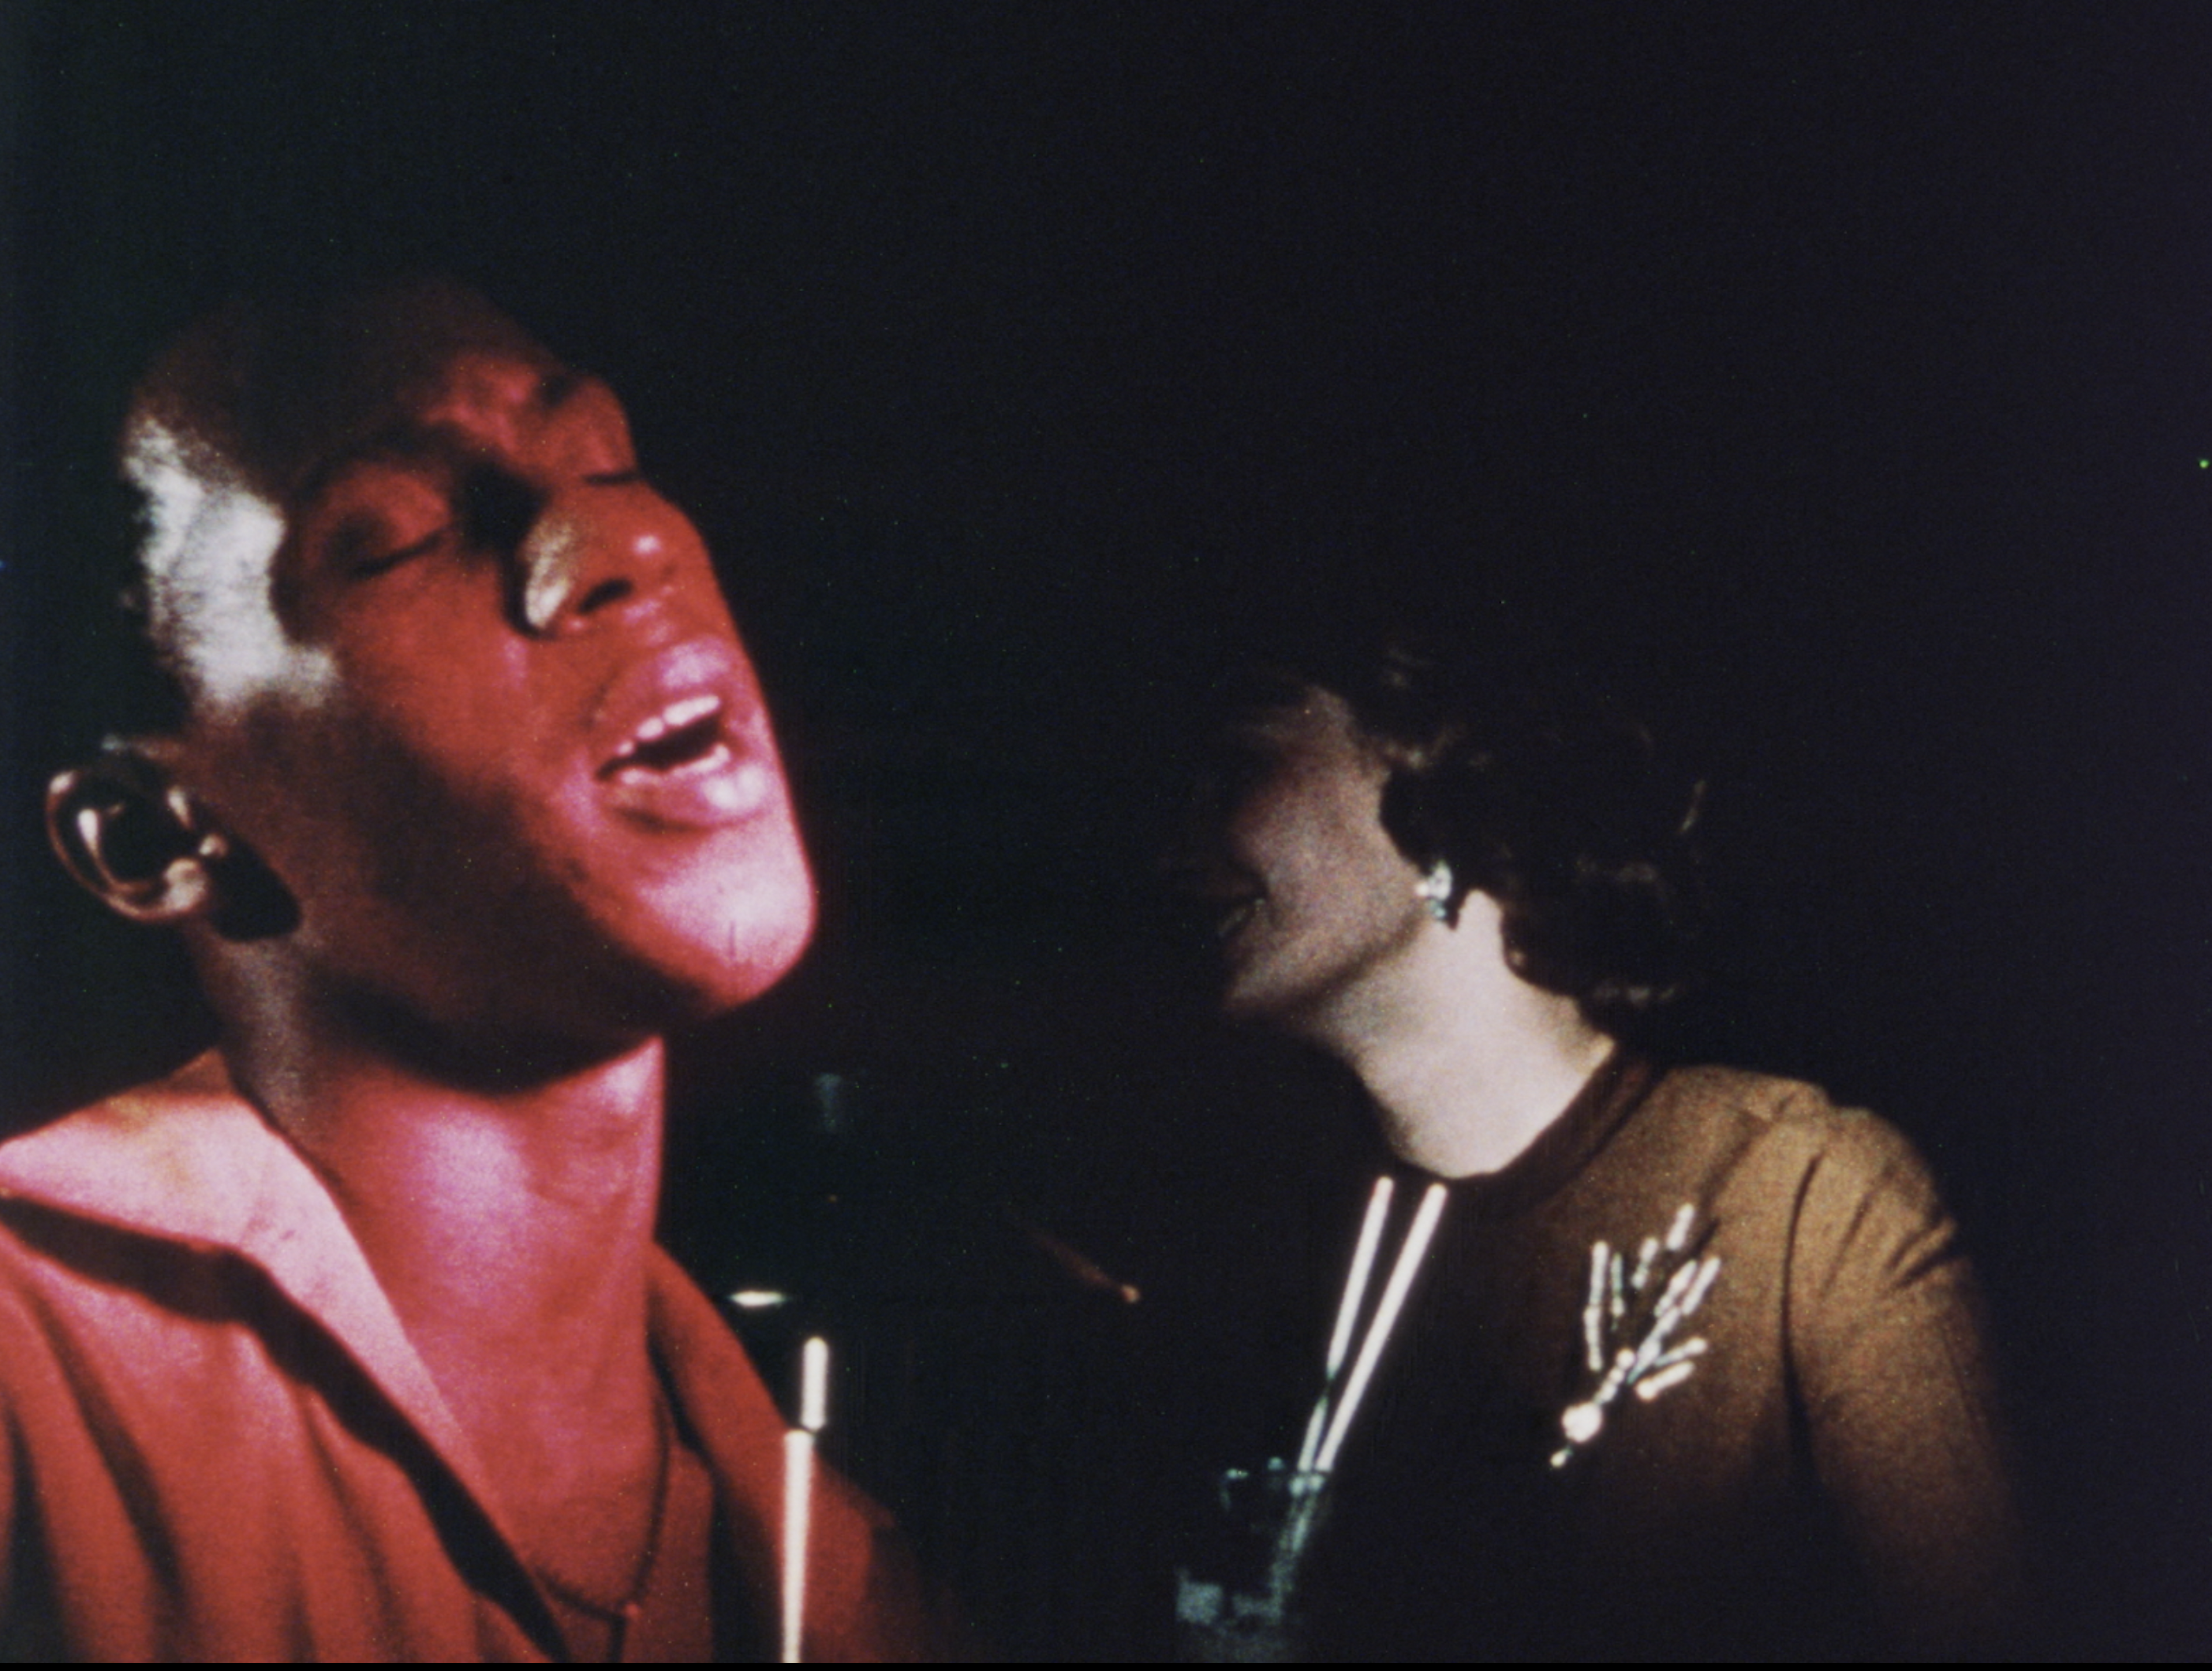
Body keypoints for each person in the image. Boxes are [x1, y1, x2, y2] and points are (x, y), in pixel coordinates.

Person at [3, 278, 933, 1660]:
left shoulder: (852, 1582)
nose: (619, 539)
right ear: (151, 832)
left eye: (612, 462)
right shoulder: (31, 1386)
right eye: (395, 540)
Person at [1167, 631, 2023, 1659]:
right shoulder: (1264, 1242)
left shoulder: (1801, 1198)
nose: (1173, 841)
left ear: (1442, 786)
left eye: (1241, 763)